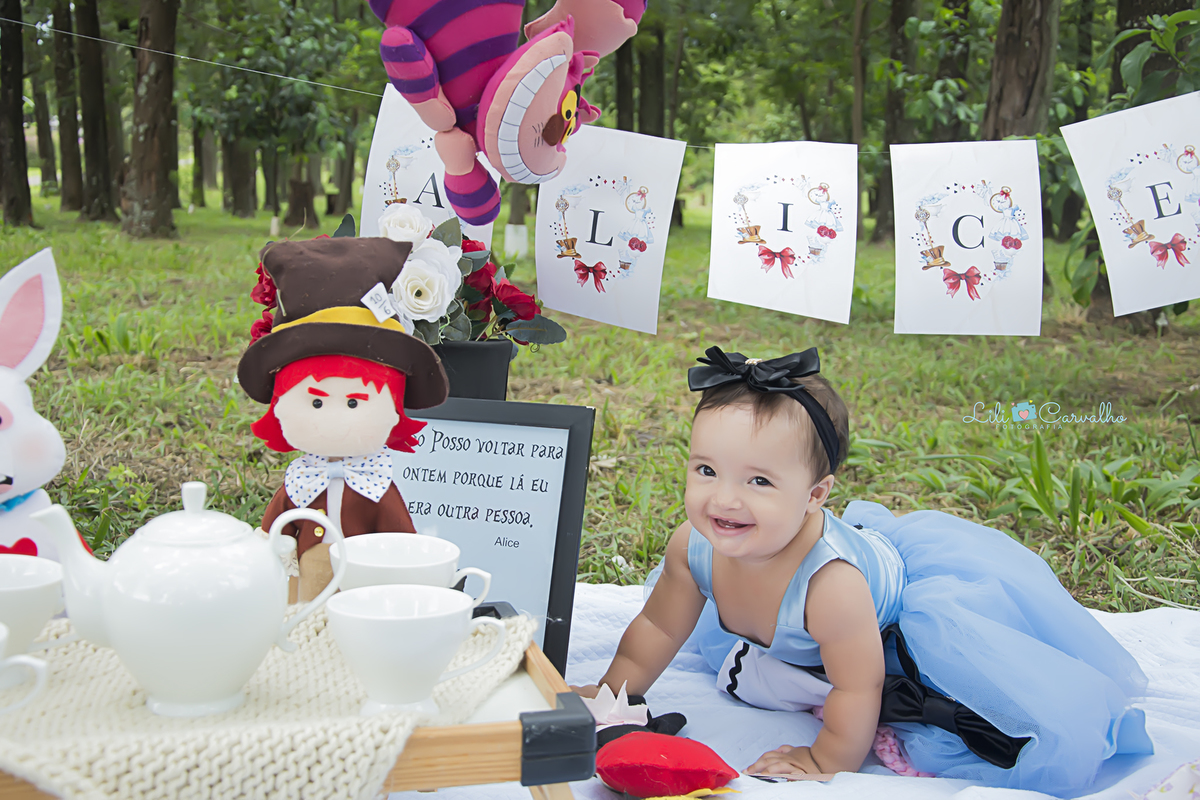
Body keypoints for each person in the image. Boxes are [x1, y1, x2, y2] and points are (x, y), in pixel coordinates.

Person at [576, 346, 1152, 796]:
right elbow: (656, 630)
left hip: (886, 623)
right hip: (802, 622)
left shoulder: (832, 585)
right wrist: (610, 694)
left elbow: (858, 685)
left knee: (932, 699)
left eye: (759, 481)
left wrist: (827, 758)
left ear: (815, 495)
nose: (724, 499)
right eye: (706, 469)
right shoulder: (694, 546)